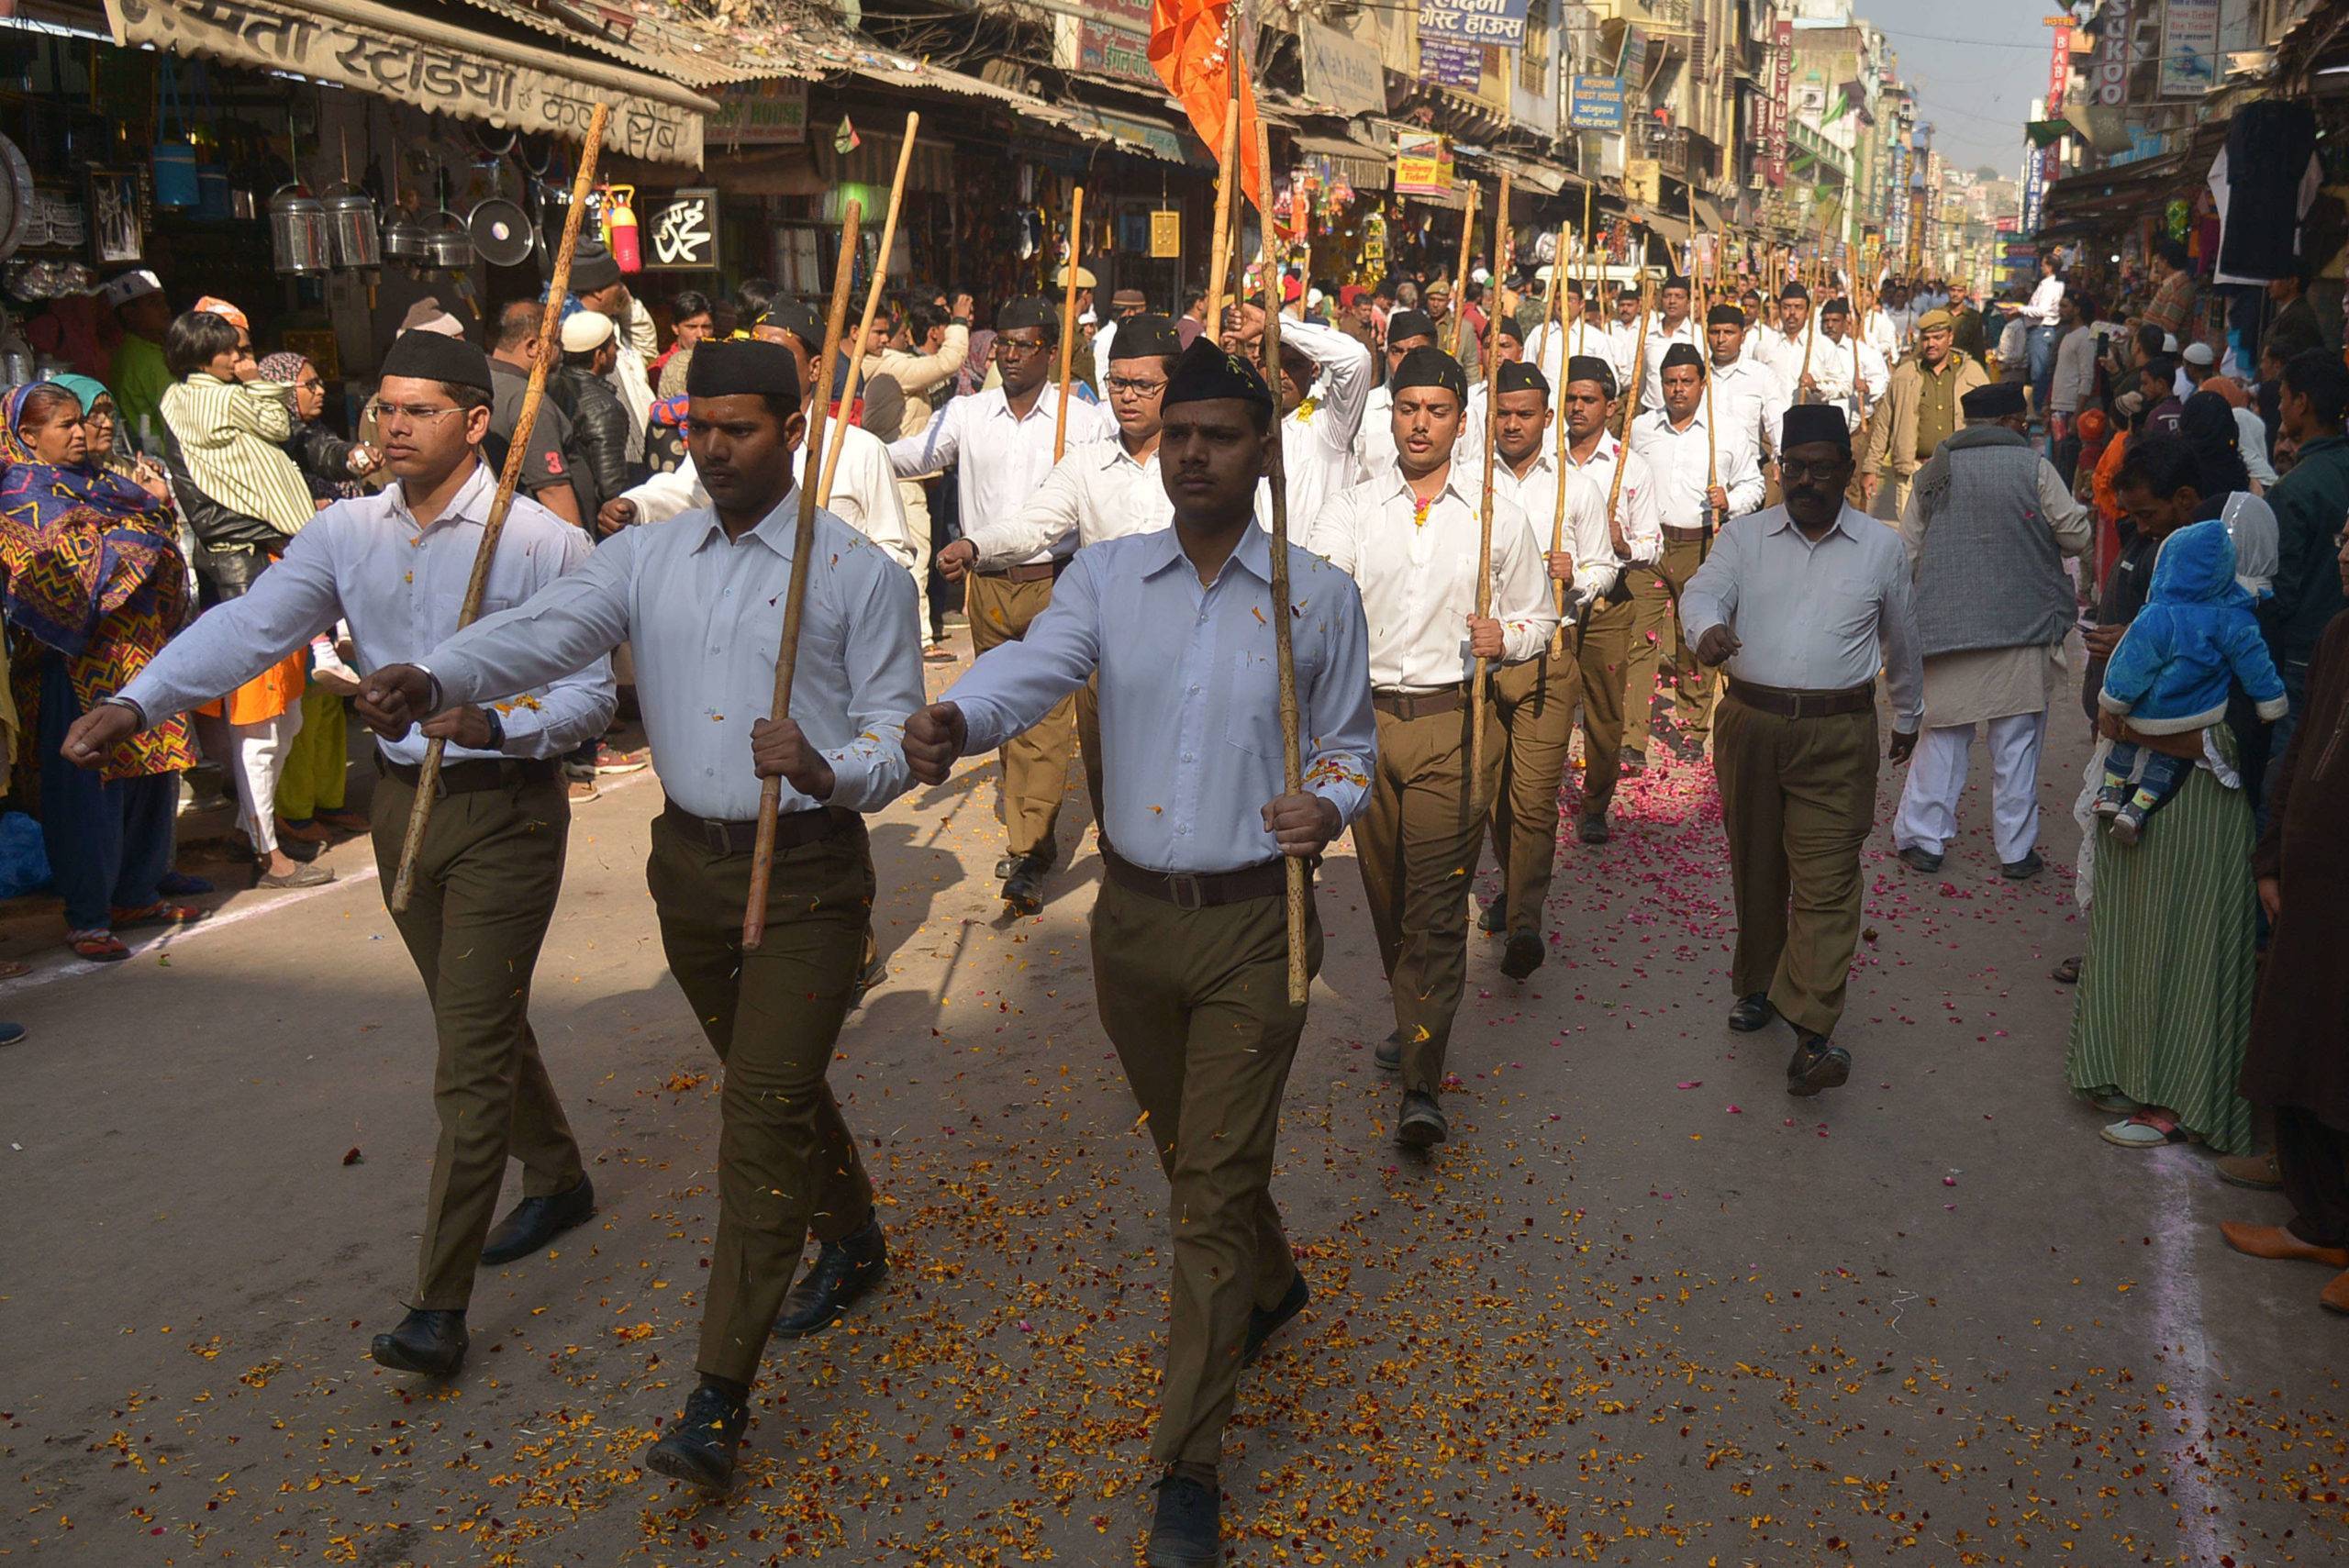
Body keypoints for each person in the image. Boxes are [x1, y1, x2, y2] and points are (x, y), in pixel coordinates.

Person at [352, 339, 919, 1487]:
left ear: (793, 432)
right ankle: (852, 1235)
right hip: (688, 867)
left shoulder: (859, 573)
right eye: (699, 426)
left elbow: (898, 736)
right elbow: (549, 629)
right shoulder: (647, 556)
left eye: (740, 428)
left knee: (755, 1119)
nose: (713, 447)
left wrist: (826, 767)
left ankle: (718, 1393)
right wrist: (440, 673)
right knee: (775, 1085)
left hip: (804, 867)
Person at [904, 339, 1373, 1568]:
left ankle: (1189, 1460)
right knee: (1194, 1158)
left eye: (1222, 436)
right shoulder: (1108, 580)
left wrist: (1323, 802)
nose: (1198, 455)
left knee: (1208, 1189)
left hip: (1256, 924)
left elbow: (1350, 748)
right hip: (1134, 928)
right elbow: (1030, 674)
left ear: (1262, 454)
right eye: (1182, 436)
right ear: (1161, 449)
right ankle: (1270, 1285)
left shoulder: (1317, 595)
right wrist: (958, 714)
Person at [69, 331, 613, 1373]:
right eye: (384, 408)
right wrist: (139, 698)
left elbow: (589, 693)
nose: (394, 425)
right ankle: (559, 1176)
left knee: (467, 1050)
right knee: (480, 1016)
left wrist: (494, 722)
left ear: (475, 420)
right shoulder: (343, 529)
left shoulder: (542, 542)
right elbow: (253, 624)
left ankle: (437, 1306)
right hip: (406, 805)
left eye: (419, 409)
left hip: (507, 809)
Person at [1306, 346, 1557, 1148]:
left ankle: (1422, 1082)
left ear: (1460, 420)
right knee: (1388, 899)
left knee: (1438, 905)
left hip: (1457, 721)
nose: (1420, 423)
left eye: (1437, 410)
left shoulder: (1495, 515)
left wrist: (1506, 635)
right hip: (1362, 720)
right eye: (1407, 407)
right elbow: (1323, 582)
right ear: (1391, 414)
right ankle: (1413, 1009)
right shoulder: (1353, 507)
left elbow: (1540, 618)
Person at [1682, 405, 1922, 1096]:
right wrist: (1705, 632)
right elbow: (1703, 593)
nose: (1809, 481)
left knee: (1827, 878)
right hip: (1751, 725)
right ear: (1779, 469)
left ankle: (1813, 1031)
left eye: (1824, 468)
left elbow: (1902, 637)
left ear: (1849, 473)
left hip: (1837, 732)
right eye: (1796, 468)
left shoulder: (1880, 546)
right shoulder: (1744, 537)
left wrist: (1907, 711)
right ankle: (1758, 985)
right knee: (1758, 865)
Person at [885, 297, 1113, 914]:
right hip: (984, 581)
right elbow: (916, 456)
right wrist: (851, 450)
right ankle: (1026, 830)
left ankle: (1031, 850)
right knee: (1000, 705)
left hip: (1054, 580)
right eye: (1002, 345)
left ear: (1050, 351)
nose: (1009, 356)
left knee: (1042, 719)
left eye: (1024, 345)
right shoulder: (969, 412)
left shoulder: (1083, 417)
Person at [2063, 436, 2258, 1151]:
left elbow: (2229, 732)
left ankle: (2174, 1098)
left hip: (2195, 804)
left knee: (2181, 954)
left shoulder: (2233, 618)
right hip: (2160, 799)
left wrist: (2131, 713)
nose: (2141, 532)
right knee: (2145, 943)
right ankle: (2142, 1078)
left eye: (2147, 517)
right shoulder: (2184, 582)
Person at [938, 314, 1184, 817]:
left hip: (1188, 647)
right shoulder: (1086, 464)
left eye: (1143, 384)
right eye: (1118, 383)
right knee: (1111, 790)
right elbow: (1033, 526)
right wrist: (975, 546)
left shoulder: (1195, 461)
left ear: (1172, 385)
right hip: (1109, 656)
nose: (1127, 396)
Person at [0, 383, 200, 962]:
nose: (81, 433)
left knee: (147, 776)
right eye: (64, 425)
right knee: (89, 786)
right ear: (27, 436)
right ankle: (88, 914)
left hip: (137, 652)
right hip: (72, 666)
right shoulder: (19, 494)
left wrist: (138, 530)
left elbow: (157, 533)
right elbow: (63, 574)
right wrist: (138, 537)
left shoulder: (106, 487)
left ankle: (135, 893)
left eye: (81, 421)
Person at [1890, 383, 2092, 877]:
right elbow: (2075, 535)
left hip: (1947, 630)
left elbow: (1908, 554)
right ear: (2012, 423)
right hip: (2021, 629)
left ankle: (1923, 840)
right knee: (2016, 744)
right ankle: (2015, 851)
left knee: (1943, 738)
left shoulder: (1933, 472)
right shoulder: (2034, 468)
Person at [2222, 536, 2349, 1309]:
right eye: (2342, 539)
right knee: (2301, 1041)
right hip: (2313, 887)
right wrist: (2271, 854)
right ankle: (2321, 1213)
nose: (2342, 552)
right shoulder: (2337, 634)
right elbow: (2304, 745)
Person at [157, 305, 320, 888]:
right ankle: (266, 852)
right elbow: (281, 427)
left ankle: (256, 829)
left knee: (285, 717)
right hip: (248, 572)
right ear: (207, 355)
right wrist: (255, 384)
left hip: (267, 562)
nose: (240, 358)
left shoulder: (181, 402)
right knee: (262, 723)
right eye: (232, 349)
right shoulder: (214, 397)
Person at [606, 295, 918, 576]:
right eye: (754, 350)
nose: (759, 364)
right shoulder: (728, 441)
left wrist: (837, 579)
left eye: (776, 354)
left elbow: (894, 551)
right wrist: (636, 505)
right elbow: (686, 492)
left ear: (815, 368)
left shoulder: (859, 450)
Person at [1480, 359, 1605, 976]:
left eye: (1524, 413)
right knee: (1493, 795)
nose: (1511, 423)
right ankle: (1512, 882)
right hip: (1481, 660)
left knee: (1532, 800)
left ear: (1547, 418)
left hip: (1550, 660)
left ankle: (1526, 921)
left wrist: (1574, 573)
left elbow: (1607, 568)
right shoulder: (1471, 482)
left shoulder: (1573, 488)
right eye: (1502, 412)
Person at [2094, 518, 2287, 841]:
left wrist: (2114, 700)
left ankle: (2112, 795)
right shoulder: (2237, 616)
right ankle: (2136, 811)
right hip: (2198, 710)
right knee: (2164, 766)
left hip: (2148, 709)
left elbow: (2133, 664)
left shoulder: (2159, 614)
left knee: (2123, 748)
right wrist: (2270, 703)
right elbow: (2257, 666)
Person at [1620, 342, 1765, 769]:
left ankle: (1692, 728)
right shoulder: (1642, 430)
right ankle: (1632, 737)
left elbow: (1754, 486)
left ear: (1702, 384)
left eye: (1686, 381)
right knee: (1638, 642)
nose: (1678, 389)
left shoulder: (1729, 431)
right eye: (1670, 382)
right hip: (1650, 547)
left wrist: (1730, 500)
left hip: (1703, 544)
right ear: (1659, 386)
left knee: (1696, 636)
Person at [253, 350, 376, 844]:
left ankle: (330, 800)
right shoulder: (271, 450)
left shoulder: (314, 438)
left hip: (336, 581)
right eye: (308, 384)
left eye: (319, 380)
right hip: (293, 578)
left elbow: (336, 462)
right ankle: (295, 811)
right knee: (299, 706)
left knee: (329, 706)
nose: (319, 390)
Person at [2257, 350, 2349, 800]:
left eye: (2283, 397)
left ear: (2303, 403)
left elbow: (2281, 593)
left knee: (2285, 773)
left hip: (2302, 656)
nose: (2278, 406)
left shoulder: (2296, 490)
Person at [1860, 308, 1988, 522]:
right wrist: (1870, 468)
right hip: (1912, 472)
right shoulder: (1904, 375)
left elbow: (1991, 425)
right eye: (1926, 338)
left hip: (1958, 471)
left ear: (1950, 337)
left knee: (1952, 534)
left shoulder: (1972, 373)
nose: (1931, 344)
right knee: (1910, 544)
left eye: (1938, 338)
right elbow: (1884, 425)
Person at [484, 299, 586, 529]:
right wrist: (580, 554)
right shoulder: (527, 400)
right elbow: (552, 489)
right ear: (532, 347)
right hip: (542, 539)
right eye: (556, 342)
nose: (561, 352)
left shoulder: (483, 380)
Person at [552, 309, 632, 526]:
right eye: (614, 345)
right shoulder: (604, 408)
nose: (617, 351)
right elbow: (611, 487)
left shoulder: (552, 385)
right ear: (599, 356)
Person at [1704, 303, 1790, 483]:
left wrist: (1780, 458)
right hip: (1703, 470)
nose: (1721, 339)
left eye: (1728, 332)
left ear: (1742, 336)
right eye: (1714, 332)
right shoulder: (1697, 376)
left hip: (1747, 474)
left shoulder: (1761, 376)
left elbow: (1776, 422)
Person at [1353, 307, 1440, 480]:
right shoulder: (1364, 408)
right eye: (1396, 351)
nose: (1405, 361)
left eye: (1414, 352)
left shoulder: (1449, 411)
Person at [100, 270, 173, 450]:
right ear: (128, 313)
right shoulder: (146, 359)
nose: (165, 310)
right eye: (153, 304)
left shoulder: (132, 351)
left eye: (163, 302)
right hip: (165, 455)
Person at [1636, 275, 1701, 413]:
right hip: (1652, 411)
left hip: (1687, 414)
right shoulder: (1647, 334)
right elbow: (1641, 377)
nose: (1672, 301)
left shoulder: (1698, 336)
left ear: (1688, 302)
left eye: (1678, 296)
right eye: (1667, 296)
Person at [649, 288, 715, 382]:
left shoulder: (721, 364)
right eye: (692, 327)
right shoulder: (659, 369)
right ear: (675, 328)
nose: (700, 334)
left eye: (706, 327)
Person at [2263, 264, 2324, 363]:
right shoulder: (2292, 313)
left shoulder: (2298, 318)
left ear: (2292, 282)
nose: (2268, 285)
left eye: (2274, 279)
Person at [2143, 239, 2197, 346]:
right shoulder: (2173, 284)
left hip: (2166, 352)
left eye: (2158, 259)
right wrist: (2142, 322)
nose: (2156, 263)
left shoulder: (2180, 287)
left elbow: (2167, 328)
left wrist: (2145, 323)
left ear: (2165, 261)